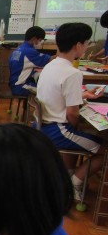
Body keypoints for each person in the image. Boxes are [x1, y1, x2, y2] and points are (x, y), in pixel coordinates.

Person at [36, 22, 104, 201]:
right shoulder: (72, 73)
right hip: (58, 129)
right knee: (104, 150)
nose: (87, 46)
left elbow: (57, 93)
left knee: (78, 136)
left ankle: (68, 179)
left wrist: (83, 95)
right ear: (78, 45)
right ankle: (75, 183)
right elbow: (72, 114)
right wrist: (75, 128)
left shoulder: (51, 65)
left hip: (43, 126)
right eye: (87, 43)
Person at [8, 26, 54, 96]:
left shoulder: (18, 49)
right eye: (40, 40)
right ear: (34, 39)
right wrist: (62, 53)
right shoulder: (29, 51)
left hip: (14, 84)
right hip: (21, 87)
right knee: (49, 90)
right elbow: (49, 60)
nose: (40, 43)